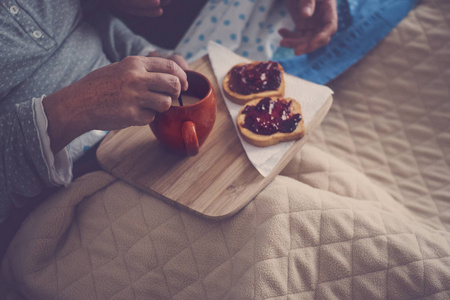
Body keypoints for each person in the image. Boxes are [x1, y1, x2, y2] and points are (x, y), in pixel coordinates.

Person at [0, 0, 337, 227]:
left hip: (140, 135)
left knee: (315, 186)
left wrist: (146, 57)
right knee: (277, 216)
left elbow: (86, 25)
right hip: (64, 186)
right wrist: (77, 107)